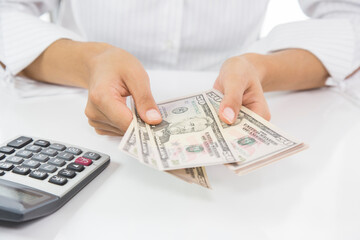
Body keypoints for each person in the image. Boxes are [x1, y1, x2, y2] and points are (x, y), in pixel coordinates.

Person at [0, 0, 359, 136]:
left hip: (242, 116)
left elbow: (349, 17)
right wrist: (89, 61)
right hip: (73, 118)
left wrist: (263, 67)